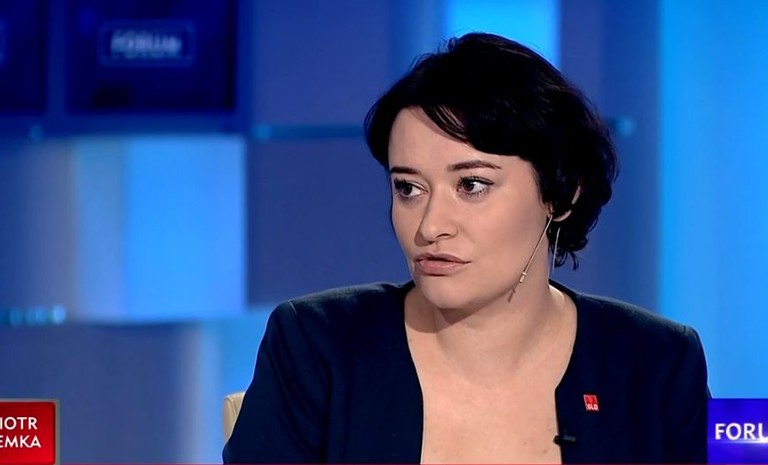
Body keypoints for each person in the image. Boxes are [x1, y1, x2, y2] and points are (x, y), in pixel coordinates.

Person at [223, 32, 709, 463]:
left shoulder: (660, 361)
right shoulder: (316, 346)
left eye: (472, 185)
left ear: (560, 195)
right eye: (408, 188)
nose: (430, 226)